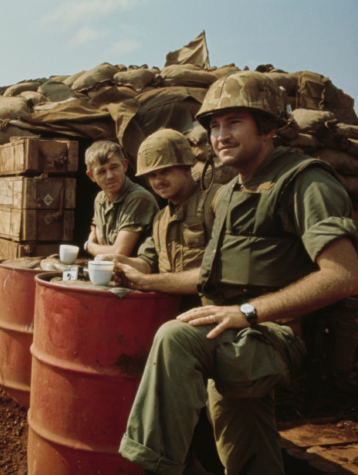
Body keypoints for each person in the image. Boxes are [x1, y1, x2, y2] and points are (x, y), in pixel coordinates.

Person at [118, 71, 358, 475]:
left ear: (268, 128)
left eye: (235, 123)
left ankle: (152, 469)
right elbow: (208, 275)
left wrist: (247, 312)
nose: (221, 136)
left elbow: (344, 275)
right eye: (214, 125)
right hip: (231, 333)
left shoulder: (304, 181)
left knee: (175, 337)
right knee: (246, 455)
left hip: (278, 335)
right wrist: (141, 277)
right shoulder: (229, 193)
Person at [99, 128, 222, 312]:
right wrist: (119, 262)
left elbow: (223, 270)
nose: (158, 181)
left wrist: (147, 282)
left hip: (212, 311)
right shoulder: (160, 219)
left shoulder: (217, 200)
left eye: (164, 172)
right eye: (152, 175)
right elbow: (148, 263)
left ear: (187, 168)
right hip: (169, 311)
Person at [84, 140, 159, 258]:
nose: (109, 176)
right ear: (91, 176)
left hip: (140, 271)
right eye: (102, 171)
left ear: (124, 165)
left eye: (114, 167)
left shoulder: (138, 198)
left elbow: (119, 253)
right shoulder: (100, 199)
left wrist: (89, 246)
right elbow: (104, 245)